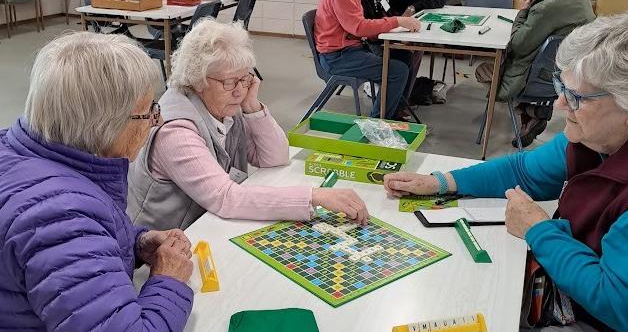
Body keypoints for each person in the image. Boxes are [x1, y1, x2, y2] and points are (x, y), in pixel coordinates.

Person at [385, 14, 628, 331]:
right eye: (562, 87)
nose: (558, 105)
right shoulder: (590, 139)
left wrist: (538, 229)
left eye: (576, 97)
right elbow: (523, 171)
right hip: (565, 294)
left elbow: (615, 302)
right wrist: (439, 182)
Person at [0, 32, 195, 331]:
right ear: (107, 125)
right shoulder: (62, 218)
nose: (157, 121)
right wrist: (167, 280)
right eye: (148, 112)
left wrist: (135, 242)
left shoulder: (20, 151)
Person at [127, 19, 369, 231]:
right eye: (230, 81)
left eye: (246, 78)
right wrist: (314, 196)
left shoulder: (226, 108)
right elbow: (225, 198)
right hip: (161, 248)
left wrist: (253, 107)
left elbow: (275, 157)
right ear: (198, 80)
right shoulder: (175, 131)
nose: (240, 90)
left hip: (207, 224)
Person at [475, 0, 595, 148]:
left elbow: (517, 45)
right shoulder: (583, 1)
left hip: (534, 79)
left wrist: (523, 11)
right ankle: (534, 111)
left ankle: (529, 110)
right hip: (568, 79)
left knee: (483, 70)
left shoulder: (545, 8)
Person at [314, 0, 421, 119]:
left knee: (405, 57)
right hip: (337, 57)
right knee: (398, 72)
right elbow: (358, 27)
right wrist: (397, 21)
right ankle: (378, 122)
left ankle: (395, 111)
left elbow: (358, 27)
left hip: (349, 50)